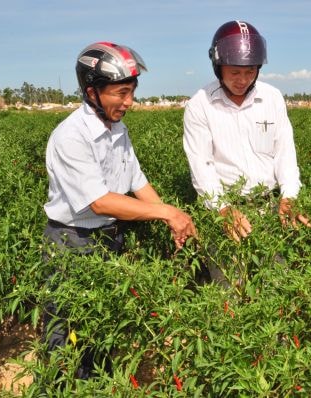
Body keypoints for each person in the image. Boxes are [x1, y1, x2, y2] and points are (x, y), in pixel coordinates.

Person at [42, 41, 197, 380]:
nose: (129, 102)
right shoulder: (72, 135)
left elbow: (137, 183)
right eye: (121, 93)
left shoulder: (118, 130)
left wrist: (177, 219)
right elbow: (101, 201)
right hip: (73, 241)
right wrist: (168, 213)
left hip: (109, 237)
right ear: (92, 91)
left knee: (101, 324)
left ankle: (97, 383)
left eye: (132, 93)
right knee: (65, 328)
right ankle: (59, 385)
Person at [183, 20, 311, 243]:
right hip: (225, 211)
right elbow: (202, 166)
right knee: (230, 278)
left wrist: (289, 197)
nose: (242, 80)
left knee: (277, 276)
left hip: (271, 207)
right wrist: (223, 209)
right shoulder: (200, 105)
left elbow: (285, 155)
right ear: (218, 66)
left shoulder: (272, 98)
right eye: (234, 72)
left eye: (250, 71)